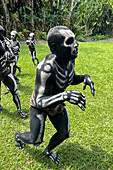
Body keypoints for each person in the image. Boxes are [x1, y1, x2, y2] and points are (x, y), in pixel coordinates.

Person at [15, 26, 95, 164]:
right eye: (69, 41)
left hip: (56, 103)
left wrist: (84, 77)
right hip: (40, 105)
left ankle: (48, 150)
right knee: (35, 140)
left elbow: (69, 78)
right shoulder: (46, 68)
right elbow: (39, 101)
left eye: (74, 40)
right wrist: (65, 96)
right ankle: (18, 137)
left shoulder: (69, 61)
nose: (76, 44)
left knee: (64, 133)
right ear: (55, 48)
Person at [0, 25, 27, 118]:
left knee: (14, 91)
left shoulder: (6, 41)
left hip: (4, 70)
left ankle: (19, 110)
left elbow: (11, 54)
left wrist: (7, 54)